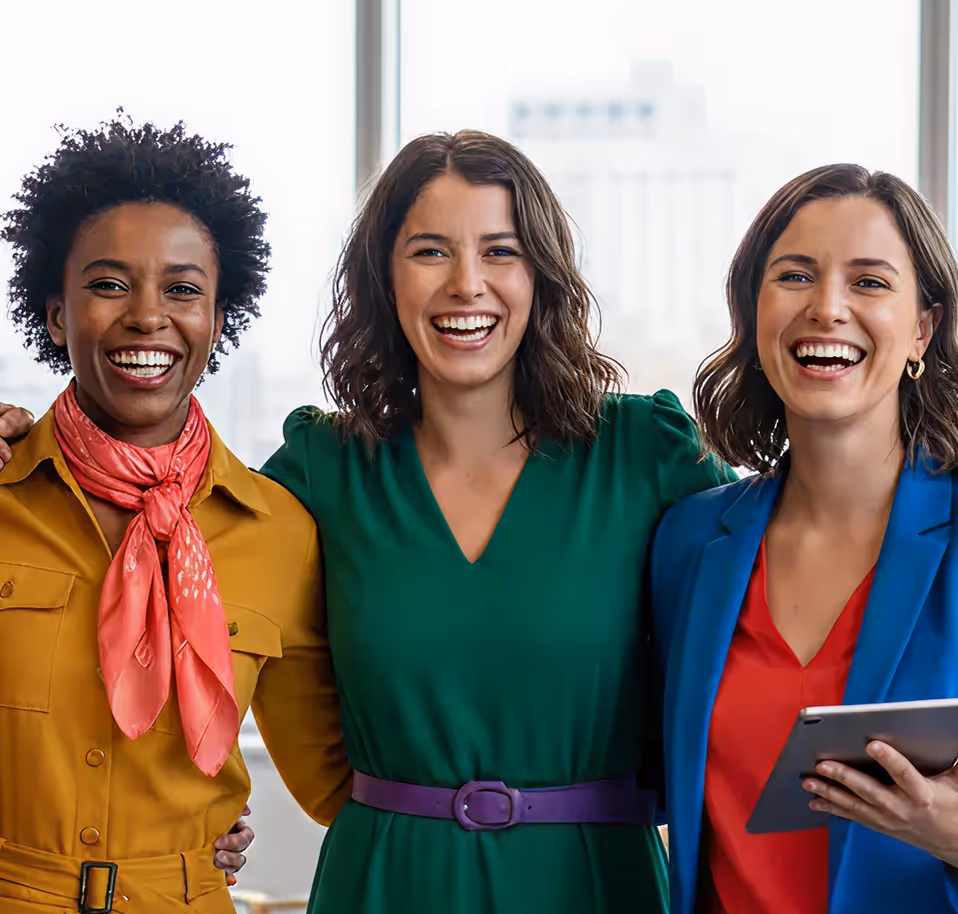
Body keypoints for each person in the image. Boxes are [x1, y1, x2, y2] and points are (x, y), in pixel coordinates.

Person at [255, 130, 735, 914]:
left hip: (593, 887)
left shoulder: (645, 455)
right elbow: (161, 542)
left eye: (500, 251)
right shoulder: (324, 469)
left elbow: (792, 573)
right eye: (431, 252)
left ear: (541, 277)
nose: (466, 284)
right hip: (384, 885)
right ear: (385, 277)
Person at [0, 116, 349, 913]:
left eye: (183, 289)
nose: (147, 316)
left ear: (217, 322)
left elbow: (335, 780)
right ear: (56, 316)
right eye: (109, 284)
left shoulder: (278, 531)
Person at [651, 164, 958, 914]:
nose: (827, 309)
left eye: (870, 282)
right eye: (794, 276)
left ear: (922, 330)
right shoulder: (690, 543)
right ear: (754, 313)